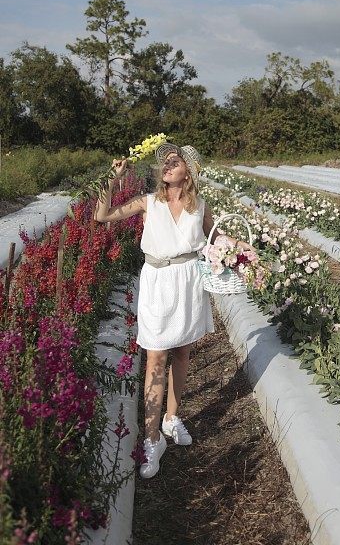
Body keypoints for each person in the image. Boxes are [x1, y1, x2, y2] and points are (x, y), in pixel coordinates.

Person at [95, 143, 253, 479]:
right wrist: (112, 180)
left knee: (182, 352)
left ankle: (172, 417)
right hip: (157, 281)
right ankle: (152, 440)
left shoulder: (200, 208)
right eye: (164, 161)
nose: (167, 165)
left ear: (189, 172)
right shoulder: (148, 203)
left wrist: (246, 249)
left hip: (188, 281)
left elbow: (219, 238)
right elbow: (103, 215)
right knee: (155, 357)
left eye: (174, 161)